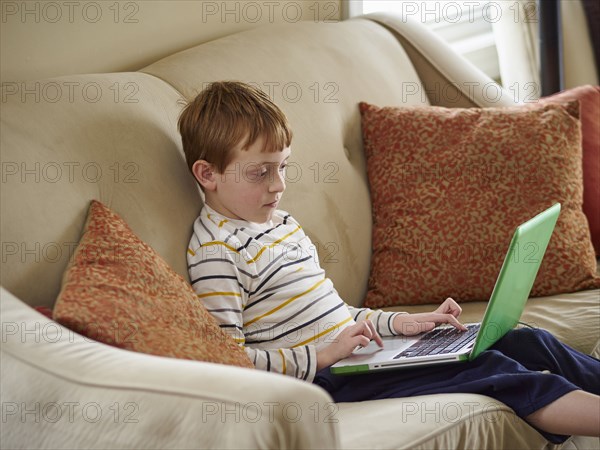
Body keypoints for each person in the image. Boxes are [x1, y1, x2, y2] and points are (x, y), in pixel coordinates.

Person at [178, 81, 600, 443]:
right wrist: (322, 356)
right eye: (261, 173)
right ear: (207, 174)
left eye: (283, 167)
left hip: (359, 357)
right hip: (327, 379)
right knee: (494, 368)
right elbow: (229, 361)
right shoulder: (218, 253)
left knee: (522, 340)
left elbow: (336, 316)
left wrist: (401, 324)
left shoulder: (280, 224)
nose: (279, 185)